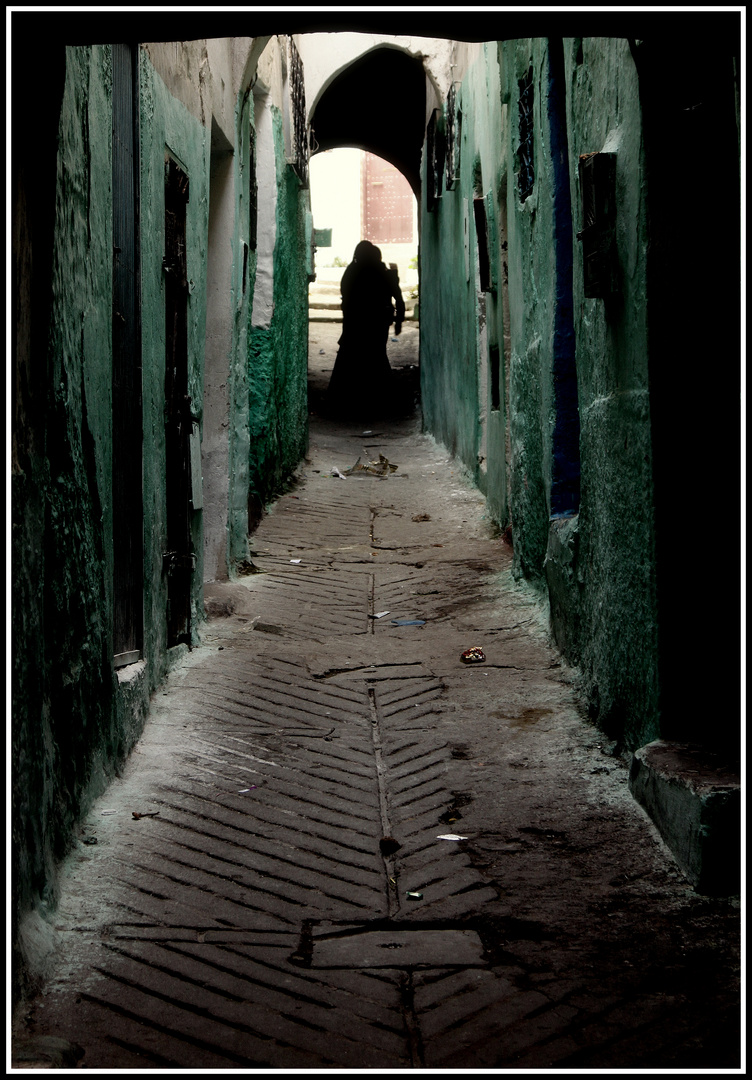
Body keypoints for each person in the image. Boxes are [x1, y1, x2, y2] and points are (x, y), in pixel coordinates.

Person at [327, 241, 404, 418]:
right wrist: (398, 321)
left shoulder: (352, 271)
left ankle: (346, 401)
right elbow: (398, 299)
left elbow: (345, 297)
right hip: (377, 324)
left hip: (355, 325)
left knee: (350, 360)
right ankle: (380, 400)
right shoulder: (384, 273)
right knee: (376, 357)